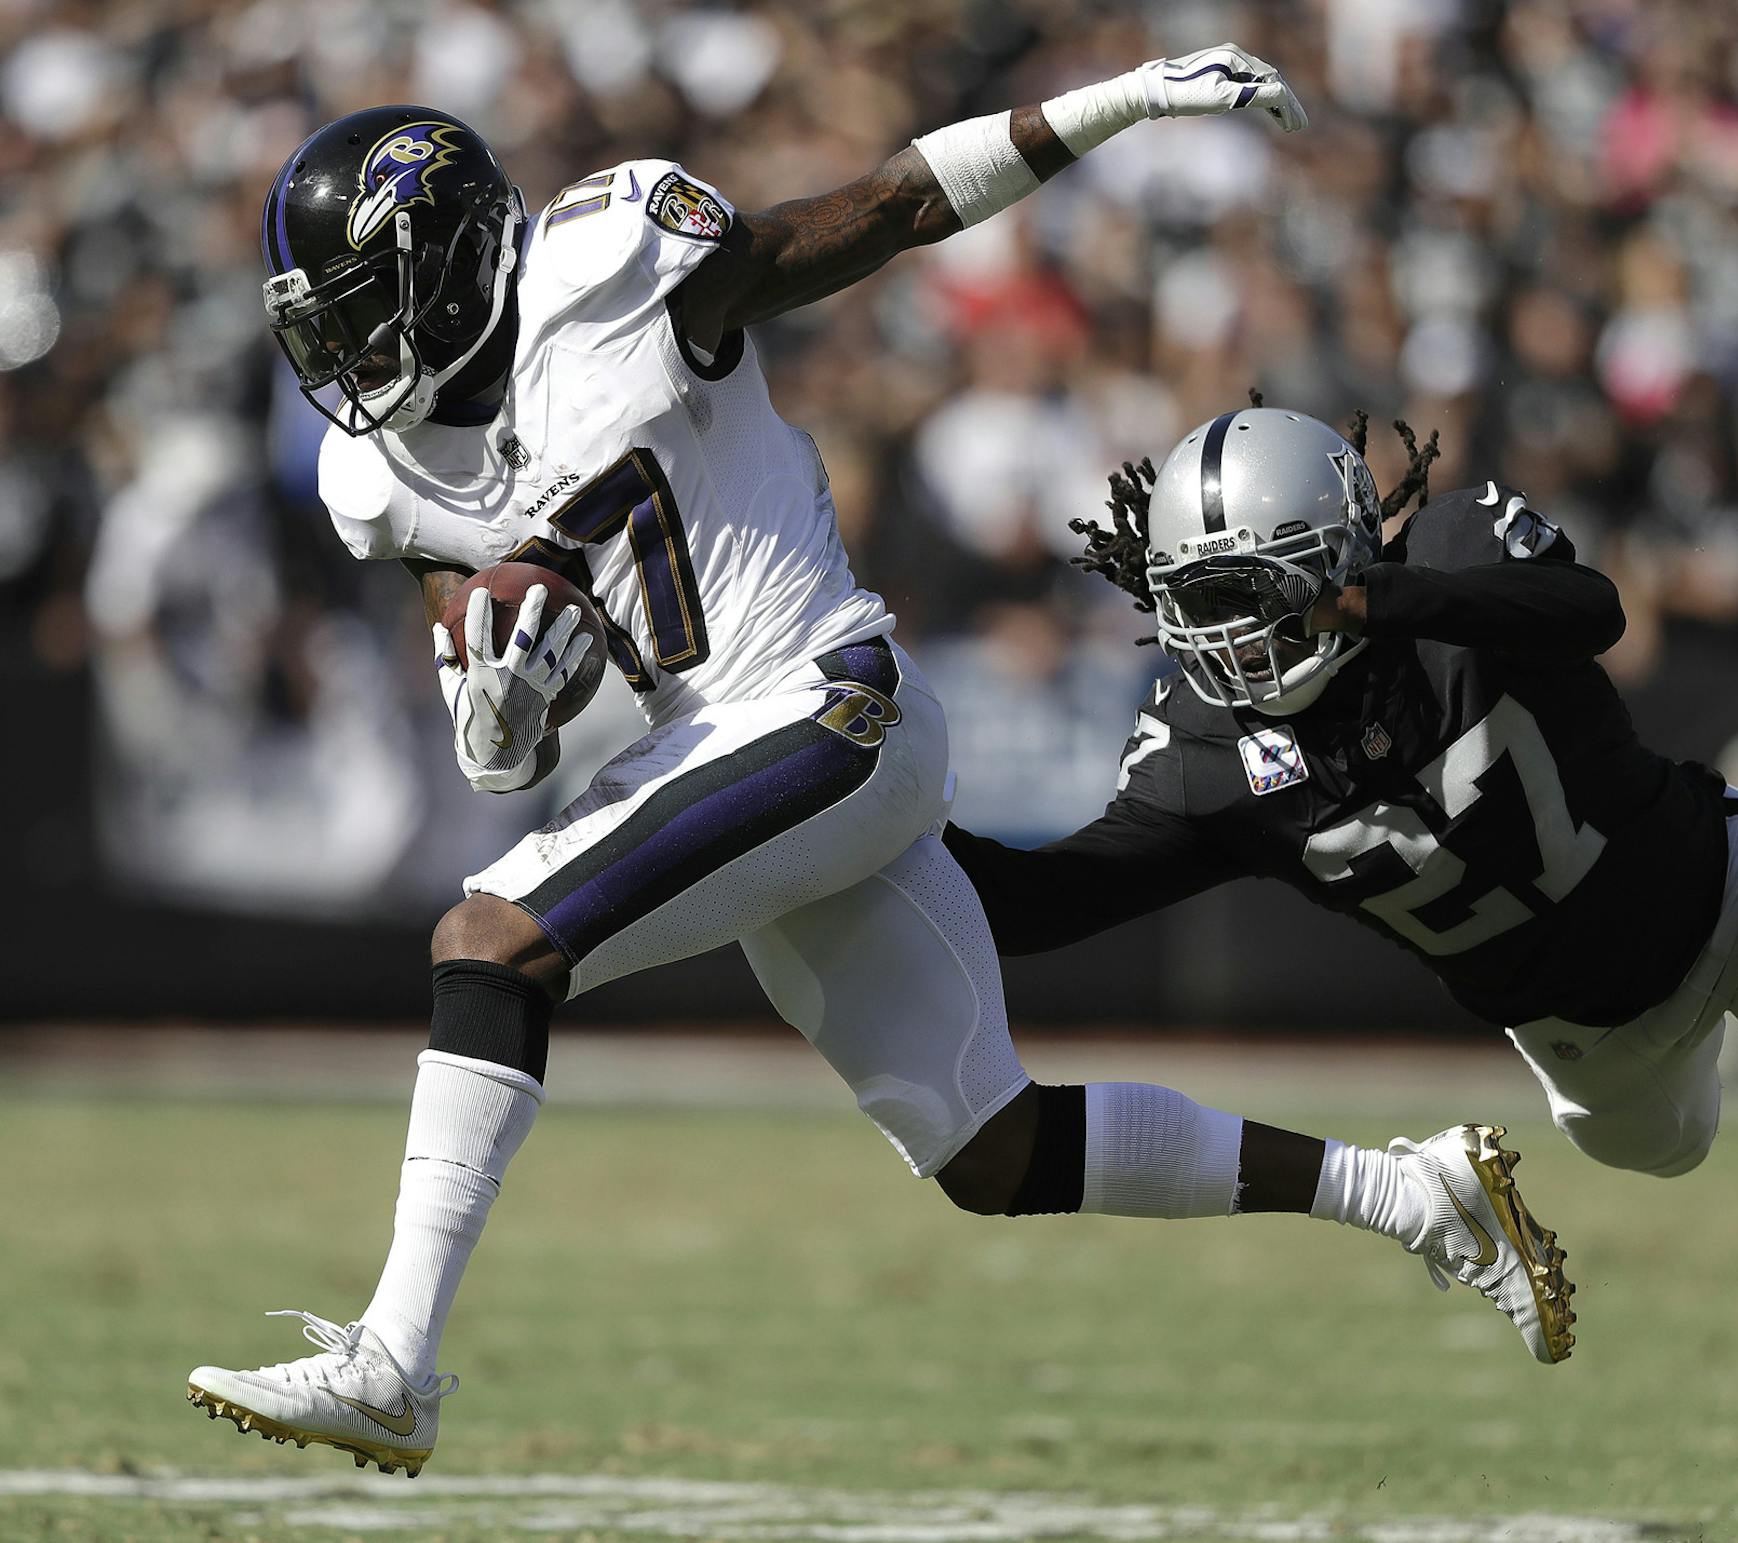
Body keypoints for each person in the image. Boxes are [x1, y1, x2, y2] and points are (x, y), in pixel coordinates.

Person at [185, 60, 1580, 1480]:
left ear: (459, 256)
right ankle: (1414, 1192)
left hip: (828, 701)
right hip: (719, 744)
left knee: (491, 939)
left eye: (365, 312)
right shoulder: (379, 475)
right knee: (990, 1146)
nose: (350, 363)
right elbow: (500, 714)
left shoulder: (611, 268)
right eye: (327, 330)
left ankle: (394, 1360)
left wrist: (1115, 104)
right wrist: (499, 703)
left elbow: (894, 205)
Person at [943, 402, 1738, 1472]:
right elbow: (1051, 904)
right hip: (1586, 1045)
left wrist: (1382, 606)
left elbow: (1588, 609)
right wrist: (883, 843)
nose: (1236, 638)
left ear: (1346, 559)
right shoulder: (1208, 757)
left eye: (1265, 591)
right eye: (1204, 604)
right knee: (1672, 1150)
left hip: (1729, 889)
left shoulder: (1452, 555)